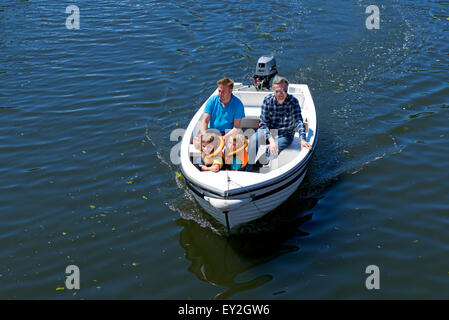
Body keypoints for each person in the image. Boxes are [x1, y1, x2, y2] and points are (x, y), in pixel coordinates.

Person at [248, 75, 312, 166]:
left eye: (284, 91)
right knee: (253, 140)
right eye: (278, 91)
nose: (281, 94)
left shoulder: (293, 101)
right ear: (273, 90)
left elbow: (299, 121)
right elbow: (263, 123)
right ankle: (247, 166)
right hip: (268, 131)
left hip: (285, 134)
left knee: (273, 151)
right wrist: (271, 140)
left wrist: (302, 139)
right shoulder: (267, 100)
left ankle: (258, 166)